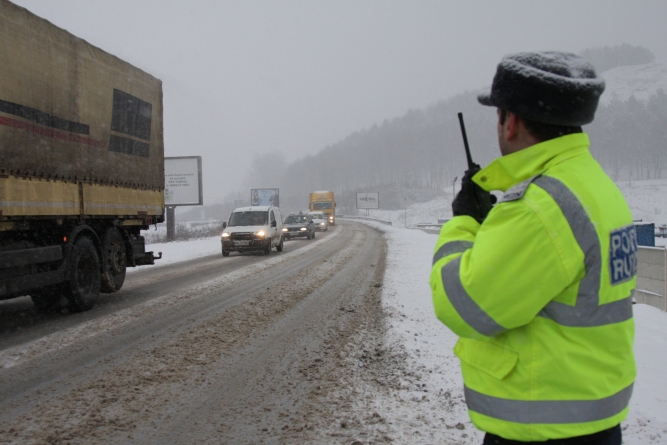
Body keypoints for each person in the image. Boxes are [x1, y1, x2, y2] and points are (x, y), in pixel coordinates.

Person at [430, 52, 637, 444]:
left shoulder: (541, 208)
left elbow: (462, 305)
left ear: (511, 122)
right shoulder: (592, 184)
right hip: (589, 417)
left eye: (499, 115)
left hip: (542, 427)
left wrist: (463, 222)